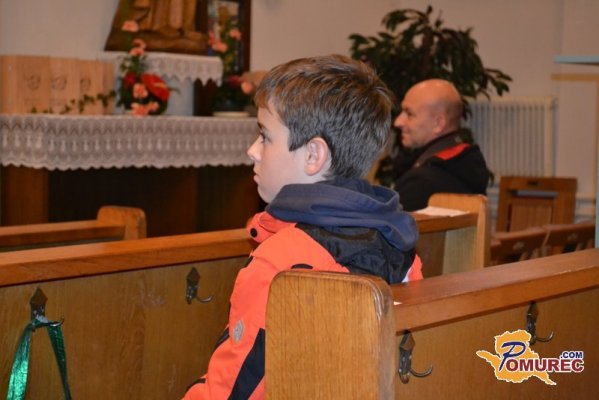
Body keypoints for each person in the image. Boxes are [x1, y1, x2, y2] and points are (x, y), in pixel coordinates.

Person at [182, 54, 422, 400]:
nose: (252, 151)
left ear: (313, 156)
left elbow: (230, 391)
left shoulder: (280, 261)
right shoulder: (399, 244)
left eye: (265, 136)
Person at [390, 79, 491, 211]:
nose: (397, 122)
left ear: (438, 124)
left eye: (409, 114)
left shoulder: (420, 184)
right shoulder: (468, 162)